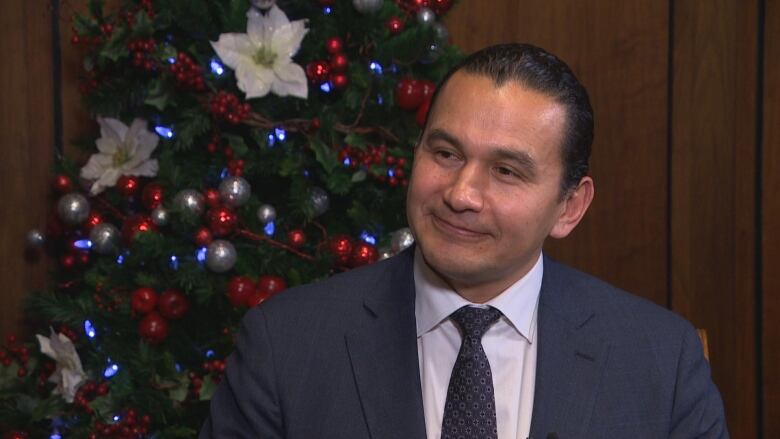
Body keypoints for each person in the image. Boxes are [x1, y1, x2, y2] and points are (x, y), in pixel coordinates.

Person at [200, 43, 728, 438]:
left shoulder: (661, 360)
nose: (460, 193)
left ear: (569, 207)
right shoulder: (286, 343)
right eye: (446, 153)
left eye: (505, 170)